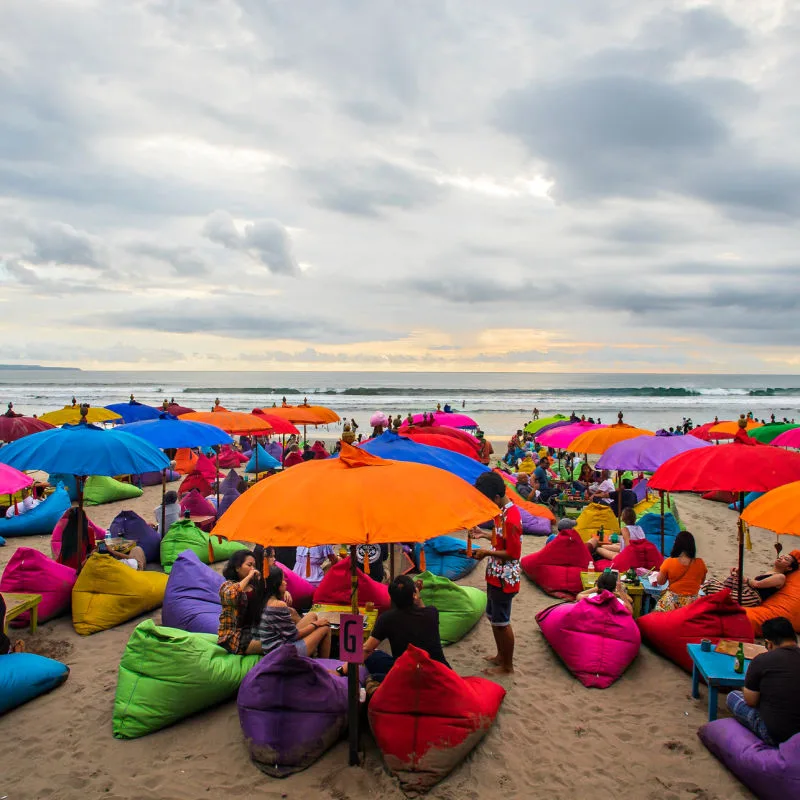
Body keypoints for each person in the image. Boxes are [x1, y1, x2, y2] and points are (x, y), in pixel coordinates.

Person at [471, 471, 522, 675]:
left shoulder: (512, 517)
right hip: (495, 573)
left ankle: (507, 666)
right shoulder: (501, 512)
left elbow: (513, 553)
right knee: (494, 617)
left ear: (497, 498)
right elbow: (500, 538)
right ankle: (501, 655)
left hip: (505, 578)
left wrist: (485, 553)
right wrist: (483, 534)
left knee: (502, 622)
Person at [354, 575, 449, 681]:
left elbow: (367, 649)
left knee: (373, 660)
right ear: (415, 595)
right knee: (377, 657)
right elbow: (423, 610)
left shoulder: (386, 619)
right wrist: (416, 595)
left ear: (390, 598)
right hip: (441, 672)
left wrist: (342, 670)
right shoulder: (432, 612)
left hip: (409, 675)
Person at [726, 616, 800, 746]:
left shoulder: (762, 660)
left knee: (733, 697)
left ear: (769, 643)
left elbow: (751, 700)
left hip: (776, 736)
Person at [254, 566, 332, 658]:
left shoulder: (263, 600)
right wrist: (316, 624)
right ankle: (323, 666)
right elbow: (294, 636)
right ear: (276, 584)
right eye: (283, 580)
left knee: (312, 615)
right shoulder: (277, 605)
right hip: (282, 653)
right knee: (325, 627)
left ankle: (313, 657)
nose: (285, 583)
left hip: (278, 644)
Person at [217, 550, 264, 655]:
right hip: (235, 637)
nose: (253, 569)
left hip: (254, 631)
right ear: (237, 567)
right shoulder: (227, 586)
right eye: (249, 565)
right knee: (274, 644)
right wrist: (248, 577)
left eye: (254, 566)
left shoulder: (254, 586)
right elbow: (231, 596)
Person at [653, 531, 707, 611]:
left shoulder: (669, 562)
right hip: (692, 604)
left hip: (673, 603)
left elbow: (660, 581)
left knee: (656, 615)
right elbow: (702, 582)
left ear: (676, 544)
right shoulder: (700, 563)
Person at [734, 552, 799, 602]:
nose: (781, 557)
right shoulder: (770, 572)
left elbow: (757, 584)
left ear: (789, 568)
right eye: (782, 556)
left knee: (726, 596)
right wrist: (738, 573)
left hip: (752, 597)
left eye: (786, 559)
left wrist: (744, 578)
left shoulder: (781, 577)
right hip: (747, 591)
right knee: (733, 578)